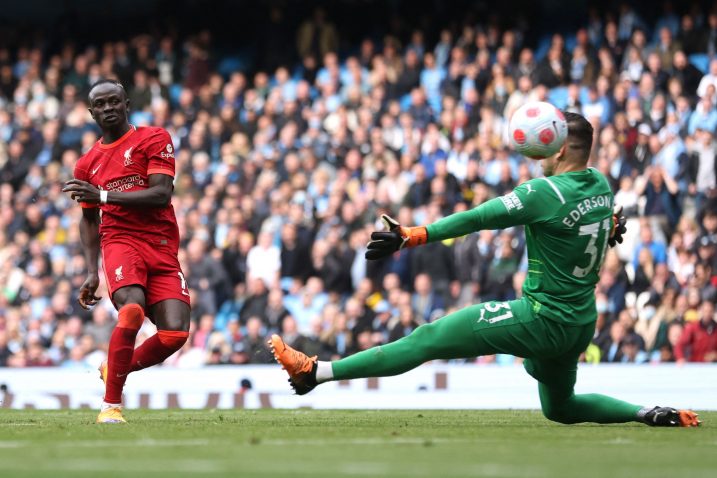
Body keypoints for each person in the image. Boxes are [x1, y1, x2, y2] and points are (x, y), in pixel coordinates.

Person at [270, 112, 700, 428]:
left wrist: (414, 235)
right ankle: (649, 413)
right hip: (579, 324)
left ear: (562, 147)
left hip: (542, 317)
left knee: (428, 338)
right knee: (561, 408)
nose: (540, 149)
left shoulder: (542, 192)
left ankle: (315, 372)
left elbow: (478, 218)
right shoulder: (602, 186)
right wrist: (611, 227)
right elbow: (601, 222)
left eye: (548, 139)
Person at [62, 79, 191, 423]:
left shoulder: (154, 138)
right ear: (91, 113)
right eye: (100, 105)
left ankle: (113, 367)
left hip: (162, 246)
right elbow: (89, 221)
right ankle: (110, 407)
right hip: (120, 242)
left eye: (113, 102)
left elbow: (160, 194)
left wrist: (102, 196)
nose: (108, 109)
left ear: (126, 103)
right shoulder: (87, 165)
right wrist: (92, 271)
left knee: (176, 333)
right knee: (131, 311)